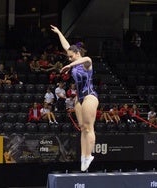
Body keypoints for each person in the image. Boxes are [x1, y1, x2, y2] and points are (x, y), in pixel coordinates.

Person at [51, 25, 99, 172]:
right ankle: (84, 157)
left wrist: (70, 64)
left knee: (89, 127)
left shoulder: (86, 63)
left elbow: (87, 58)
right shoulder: (74, 58)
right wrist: (59, 32)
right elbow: (67, 46)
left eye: (71, 56)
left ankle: (88, 154)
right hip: (79, 98)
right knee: (82, 127)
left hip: (90, 96)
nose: (69, 58)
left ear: (78, 53)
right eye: (69, 57)